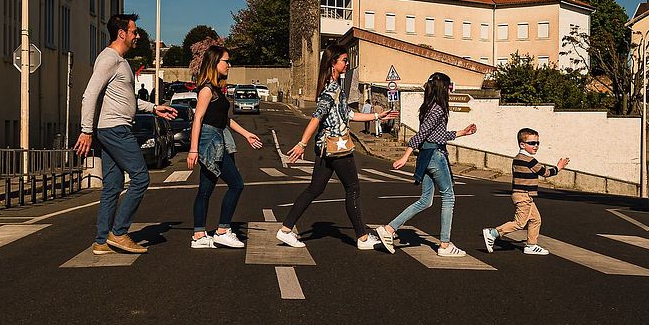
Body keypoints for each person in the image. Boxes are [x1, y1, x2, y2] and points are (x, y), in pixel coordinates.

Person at [75, 14, 177, 255]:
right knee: (141, 178)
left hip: (113, 127)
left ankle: (101, 241)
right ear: (122, 33)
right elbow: (90, 95)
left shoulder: (121, 62)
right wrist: (85, 130)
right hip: (115, 129)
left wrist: (153, 108)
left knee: (113, 185)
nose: (137, 36)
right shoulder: (109, 59)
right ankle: (119, 233)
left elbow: (126, 100)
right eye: (134, 31)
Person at [278, 44, 391, 250]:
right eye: (344, 60)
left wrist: (376, 116)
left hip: (325, 148)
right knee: (353, 188)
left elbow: (348, 115)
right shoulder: (331, 89)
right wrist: (302, 143)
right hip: (337, 147)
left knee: (315, 188)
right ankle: (363, 238)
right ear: (333, 63)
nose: (347, 64)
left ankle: (285, 229)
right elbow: (316, 117)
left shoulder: (335, 87)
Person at [376, 72, 477, 257]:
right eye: (449, 87)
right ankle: (445, 245)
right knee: (449, 197)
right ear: (443, 88)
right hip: (435, 156)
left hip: (428, 154)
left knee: (425, 200)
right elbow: (421, 134)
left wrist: (462, 132)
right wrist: (406, 155)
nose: (450, 91)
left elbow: (435, 135)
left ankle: (389, 229)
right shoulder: (438, 108)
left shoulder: (428, 107)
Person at [186, 46, 263, 248]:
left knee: (205, 190)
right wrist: (193, 149)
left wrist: (246, 134)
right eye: (226, 61)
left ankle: (199, 235)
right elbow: (198, 119)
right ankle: (222, 230)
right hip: (211, 141)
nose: (229, 65)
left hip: (218, 137)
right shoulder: (206, 90)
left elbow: (224, 119)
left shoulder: (216, 89)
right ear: (215, 63)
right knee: (236, 184)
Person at [483, 129, 569, 255]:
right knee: (519, 223)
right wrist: (559, 167)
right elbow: (545, 173)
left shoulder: (518, 158)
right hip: (524, 195)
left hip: (522, 195)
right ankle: (494, 232)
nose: (536, 146)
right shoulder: (529, 160)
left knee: (535, 219)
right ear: (522, 144)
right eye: (532, 143)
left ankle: (531, 245)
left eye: (538, 143)